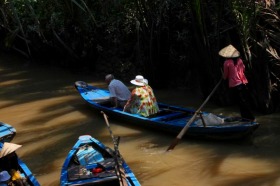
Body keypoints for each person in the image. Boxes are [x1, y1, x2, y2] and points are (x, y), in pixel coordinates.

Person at [219, 44, 255, 121]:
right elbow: (243, 70)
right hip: (242, 83)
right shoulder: (240, 60)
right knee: (243, 101)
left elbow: (225, 76)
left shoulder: (227, 63)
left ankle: (249, 118)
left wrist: (223, 76)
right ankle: (247, 117)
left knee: (241, 102)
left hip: (234, 85)